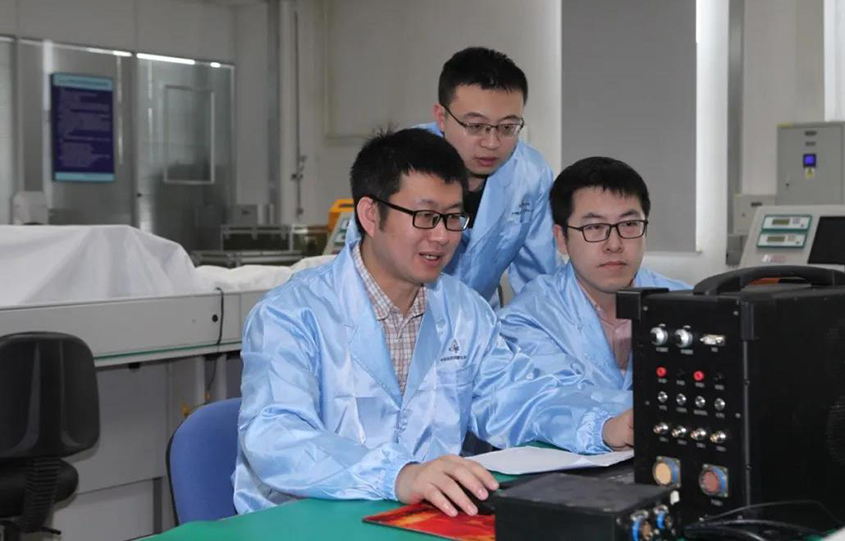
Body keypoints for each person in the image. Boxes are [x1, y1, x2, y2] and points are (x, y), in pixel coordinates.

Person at [234, 130, 633, 517]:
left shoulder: (463, 310)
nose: (442, 236)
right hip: (305, 522)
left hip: (421, 519)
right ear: (371, 215)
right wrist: (399, 475)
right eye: (426, 217)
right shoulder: (290, 314)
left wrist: (602, 426)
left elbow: (517, 397)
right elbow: (275, 436)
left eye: (453, 217)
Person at [347, 47, 558, 304]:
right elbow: (361, 267)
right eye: (476, 126)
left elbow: (538, 283)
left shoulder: (531, 175)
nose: (492, 143)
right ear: (442, 117)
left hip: (478, 318)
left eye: (507, 127)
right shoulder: (400, 162)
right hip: (393, 312)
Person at [499, 157, 690, 391]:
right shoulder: (528, 318)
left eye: (629, 224)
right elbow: (560, 401)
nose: (614, 244)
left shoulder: (687, 304)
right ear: (561, 238)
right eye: (594, 227)